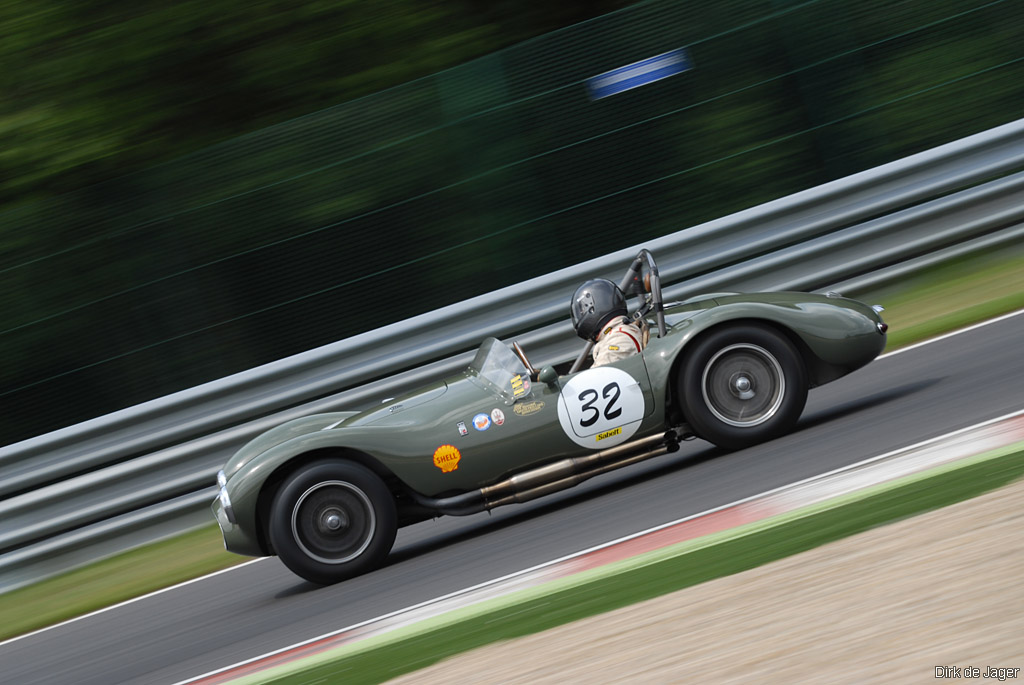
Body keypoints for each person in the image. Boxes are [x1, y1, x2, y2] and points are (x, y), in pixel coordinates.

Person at [570, 278, 646, 367]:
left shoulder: (618, 341)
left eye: (582, 310)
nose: (581, 313)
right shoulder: (620, 331)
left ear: (592, 309)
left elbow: (596, 378)